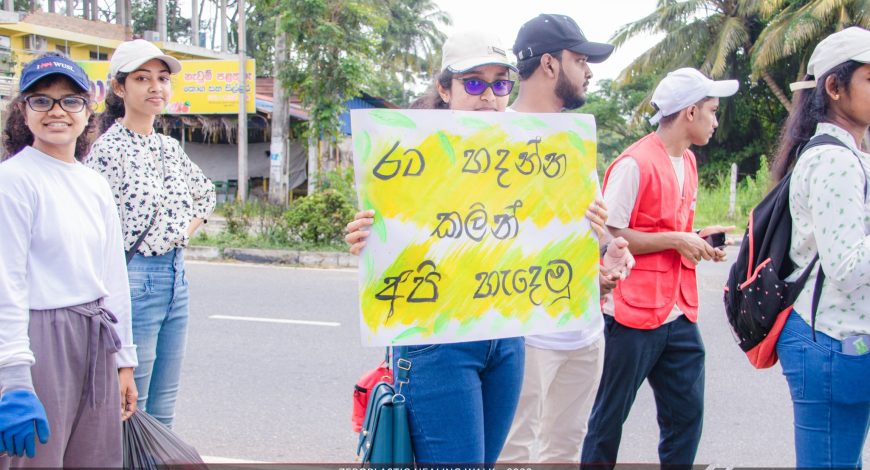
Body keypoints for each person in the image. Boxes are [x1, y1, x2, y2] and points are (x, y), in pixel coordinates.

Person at [581, 68, 738, 469]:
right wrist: (677, 240)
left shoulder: (688, 160)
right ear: (689, 113)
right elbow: (610, 233)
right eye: (712, 111)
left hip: (678, 310)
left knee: (687, 415)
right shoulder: (634, 163)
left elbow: (673, 228)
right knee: (609, 418)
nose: (716, 121)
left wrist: (700, 238)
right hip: (633, 312)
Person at [499, 14, 629, 464]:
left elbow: (588, 233)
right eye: (581, 60)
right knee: (512, 454)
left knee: (564, 455)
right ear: (550, 65)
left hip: (586, 332)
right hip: (526, 337)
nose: (589, 71)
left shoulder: (576, 140)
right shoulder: (494, 137)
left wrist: (609, 255)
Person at [0, 53, 137, 468]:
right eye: (42, 100)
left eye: (70, 100)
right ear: (23, 111)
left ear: (87, 109)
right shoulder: (13, 180)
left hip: (96, 336)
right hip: (40, 339)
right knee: (37, 459)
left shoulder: (92, 182)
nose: (56, 111)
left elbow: (113, 277)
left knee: (95, 460)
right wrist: (14, 381)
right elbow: (7, 284)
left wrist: (125, 362)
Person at [87, 39, 216, 428]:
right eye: (142, 78)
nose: (155, 87)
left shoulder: (169, 147)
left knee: (164, 409)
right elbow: (92, 226)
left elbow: (205, 195)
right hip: (133, 277)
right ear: (119, 87)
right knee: (130, 407)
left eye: (162, 78)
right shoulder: (107, 150)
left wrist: (181, 233)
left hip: (176, 276)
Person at [770, 26, 870, 468]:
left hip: (839, 340)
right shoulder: (832, 159)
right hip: (832, 341)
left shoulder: (848, 153)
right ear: (834, 87)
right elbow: (847, 266)